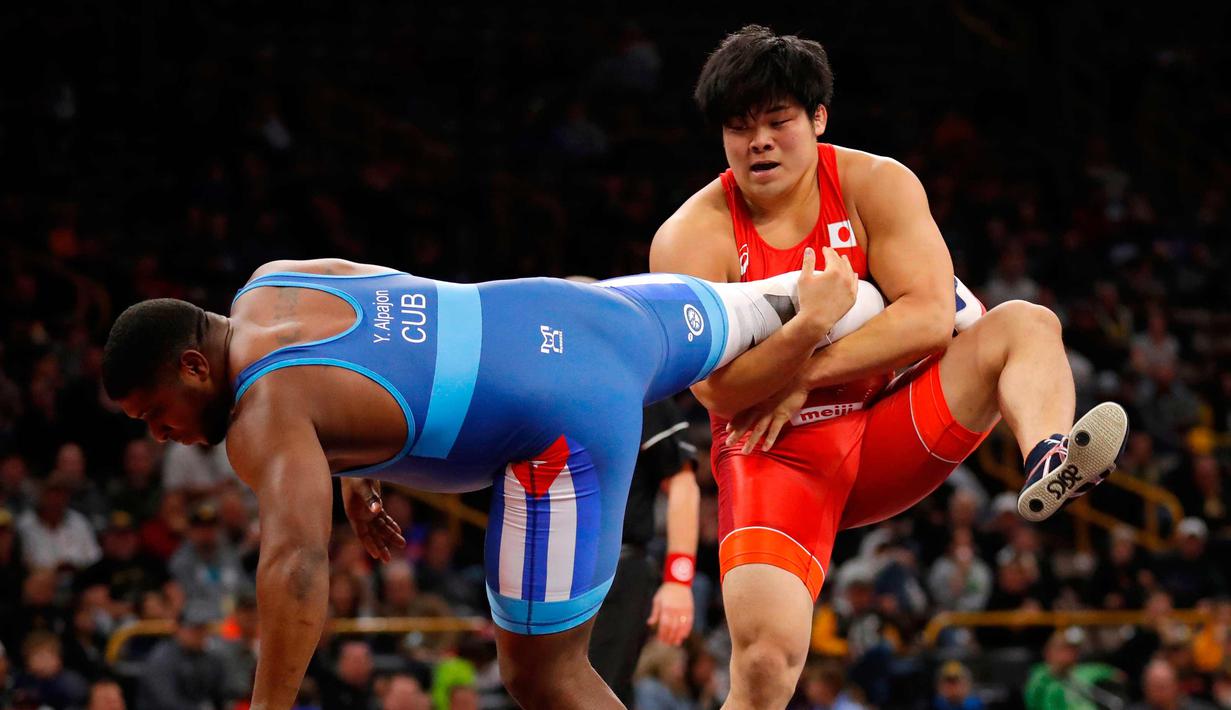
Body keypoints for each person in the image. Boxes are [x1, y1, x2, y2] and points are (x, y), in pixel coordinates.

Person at [102, 254, 878, 709]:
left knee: (541, 673)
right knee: (820, 298)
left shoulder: (261, 420)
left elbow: (295, 567)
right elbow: (395, 328)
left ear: (196, 367)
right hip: (581, 310)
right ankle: (931, 308)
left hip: (563, 426)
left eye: (154, 414)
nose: (160, 434)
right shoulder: (271, 283)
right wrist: (350, 467)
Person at [649, 25, 1129, 707]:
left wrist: (804, 373)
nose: (758, 141)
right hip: (772, 454)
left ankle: (1049, 454)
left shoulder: (875, 184)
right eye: (738, 127)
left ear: (818, 118)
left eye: (777, 122)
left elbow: (931, 315)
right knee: (763, 664)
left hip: (884, 426)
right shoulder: (690, 235)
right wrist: (811, 323)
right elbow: (715, 392)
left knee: (1024, 322)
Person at [589, 397, 699, 705]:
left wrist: (678, 580)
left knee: (594, 693)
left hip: (616, 569)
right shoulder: (547, 381)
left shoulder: (637, 391)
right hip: (546, 568)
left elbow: (682, 481)